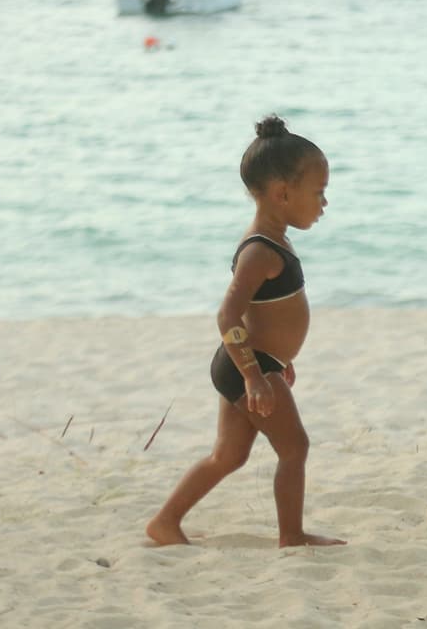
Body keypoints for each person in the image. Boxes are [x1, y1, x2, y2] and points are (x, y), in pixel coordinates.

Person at [146, 115, 344, 547]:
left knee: (228, 455)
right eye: (319, 192)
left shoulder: (277, 238)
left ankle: (165, 523)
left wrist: (279, 362)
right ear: (282, 193)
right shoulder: (259, 250)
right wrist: (255, 375)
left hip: (257, 363)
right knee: (295, 448)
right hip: (246, 367)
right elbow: (228, 316)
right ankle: (291, 536)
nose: (324, 203)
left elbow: (270, 315)